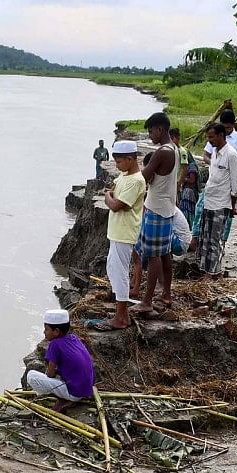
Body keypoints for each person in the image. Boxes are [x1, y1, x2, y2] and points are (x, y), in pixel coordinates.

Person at [90, 140, 144, 331]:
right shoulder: (124, 176)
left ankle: (121, 316)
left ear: (130, 159)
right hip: (117, 232)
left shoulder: (136, 180)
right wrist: (111, 195)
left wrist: (107, 197)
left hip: (124, 232)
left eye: (120, 161)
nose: (118, 165)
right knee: (113, 269)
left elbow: (116, 204)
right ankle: (122, 313)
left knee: (119, 272)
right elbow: (114, 192)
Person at [132, 112, 180, 314]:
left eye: (151, 131)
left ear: (160, 129)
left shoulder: (163, 152)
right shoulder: (175, 149)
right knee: (165, 254)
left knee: (152, 256)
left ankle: (147, 301)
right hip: (167, 208)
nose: (150, 136)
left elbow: (144, 176)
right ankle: (166, 294)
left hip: (156, 209)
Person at [193, 123, 237, 279]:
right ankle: (209, 270)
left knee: (215, 240)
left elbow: (236, 183)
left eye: (211, 137)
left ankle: (212, 273)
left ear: (221, 135)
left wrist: (232, 206)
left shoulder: (232, 155)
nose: (210, 140)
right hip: (209, 202)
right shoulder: (214, 153)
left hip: (221, 204)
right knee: (205, 239)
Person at [26, 309, 95, 411]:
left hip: (74, 394)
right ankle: (65, 394)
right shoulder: (73, 338)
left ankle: (63, 398)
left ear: (56, 331)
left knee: (31, 376)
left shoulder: (55, 344)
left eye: (46, 329)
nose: (44, 332)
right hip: (86, 389)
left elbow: (50, 374)